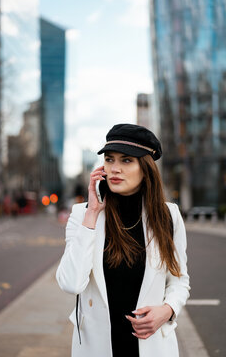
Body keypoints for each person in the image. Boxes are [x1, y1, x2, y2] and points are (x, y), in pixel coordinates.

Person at [56, 123, 190, 357]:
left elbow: (179, 280)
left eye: (126, 160)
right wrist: (92, 214)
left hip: (151, 345)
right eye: (109, 159)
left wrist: (168, 310)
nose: (114, 168)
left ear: (145, 168)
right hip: (96, 346)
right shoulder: (83, 214)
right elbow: (71, 284)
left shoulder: (168, 216)